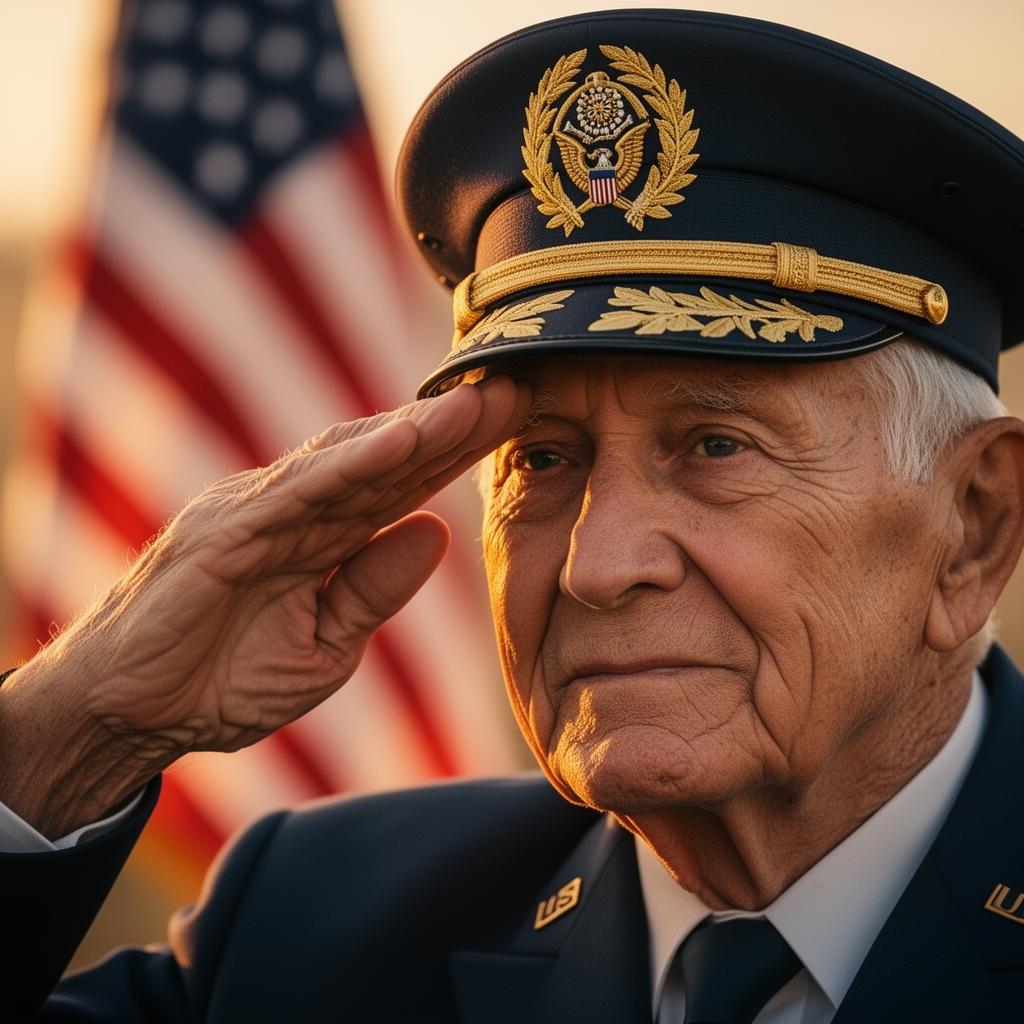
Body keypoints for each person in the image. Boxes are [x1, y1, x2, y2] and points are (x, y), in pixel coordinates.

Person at [5, 8, 1024, 1021]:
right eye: (541, 458)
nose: (597, 562)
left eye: (715, 446)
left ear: (972, 525)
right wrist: (78, 727)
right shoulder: (304, 925)